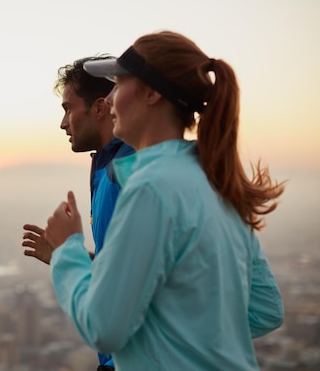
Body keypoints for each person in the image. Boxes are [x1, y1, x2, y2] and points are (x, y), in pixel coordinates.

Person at [43, 30, 285, 370]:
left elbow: (103, 327)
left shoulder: (150, 188)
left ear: (152, 93)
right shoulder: (216, 181)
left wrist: (67, 250)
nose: (109, 100)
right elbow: (264, 310)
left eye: (119, 85)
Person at [21, 55, 134, 370]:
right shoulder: (111, 167)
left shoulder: (124, 173)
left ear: (99, 108)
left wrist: (69, 253)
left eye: (68, 109)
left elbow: (115, 308)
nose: (63, 123)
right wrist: (67, 255)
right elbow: (132, 269)